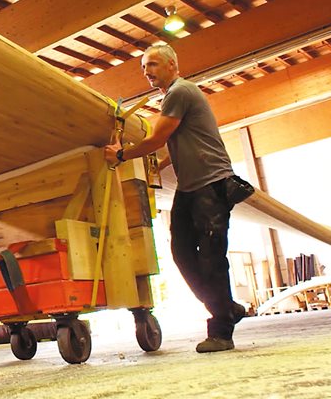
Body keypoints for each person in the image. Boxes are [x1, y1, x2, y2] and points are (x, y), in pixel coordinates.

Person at [104, 44, 246, 353]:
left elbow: (156, 139)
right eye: (144, 67)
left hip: (211, 184)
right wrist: (160, 163)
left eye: (153, 64)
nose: (147, 71)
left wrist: (122, 154)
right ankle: (227, 308)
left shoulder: (180, 92)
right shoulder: (173, 98)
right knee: (181, 252)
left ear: (172, 65)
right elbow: (173, 144)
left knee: (211, 258)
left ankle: (221, 331)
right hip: (190, 187)